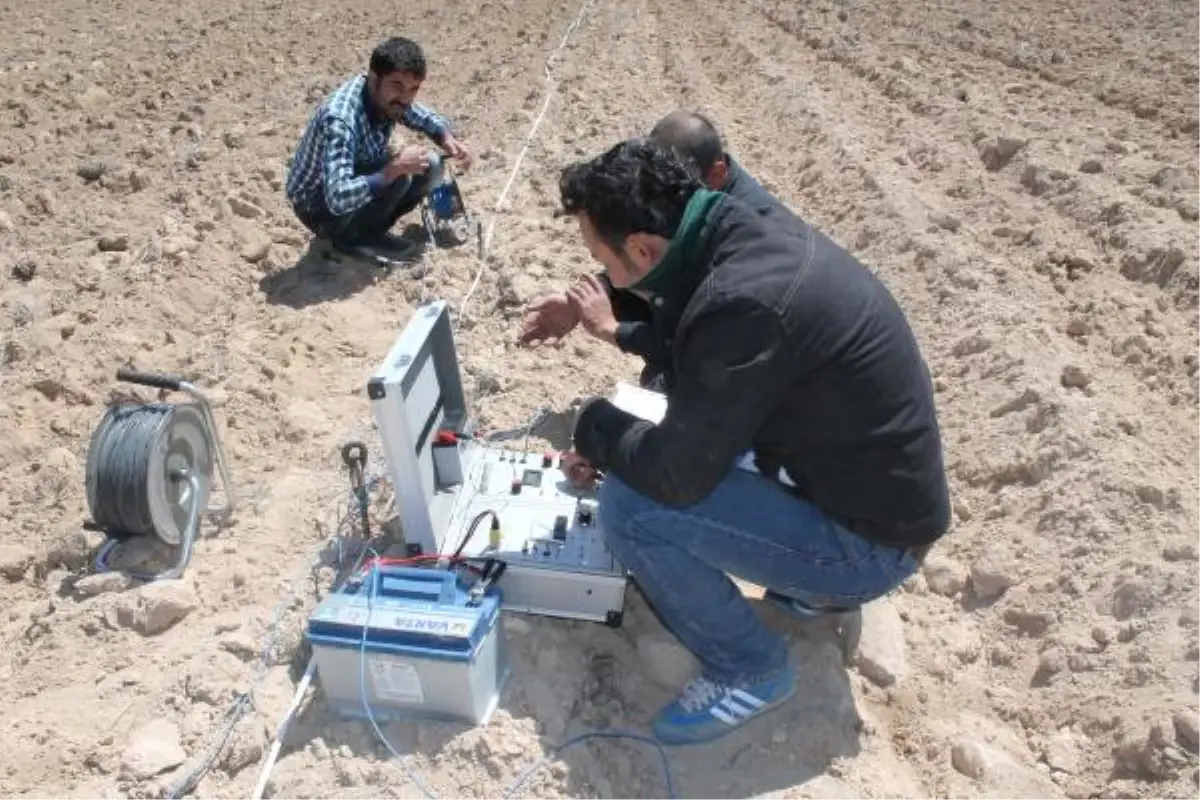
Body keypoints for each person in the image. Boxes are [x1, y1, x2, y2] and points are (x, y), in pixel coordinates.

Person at [553, 138, 952, 746]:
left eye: (601, 260)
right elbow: (699, 360)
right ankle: (809, 593)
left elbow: (676, 478)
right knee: (669, 440)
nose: (605, 277)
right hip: (864, 496)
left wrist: (596, 427)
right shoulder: (741, 237)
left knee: (633, 507)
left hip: (870, 547)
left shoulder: (743, 301)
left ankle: (751, 666)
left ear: (640, 247)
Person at [517, 110, 793, 390]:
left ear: (718, 173)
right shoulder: (693, 205)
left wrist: (614, 330)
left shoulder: (748, 242)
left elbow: (703, 350)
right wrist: (588, 300)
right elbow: (650, 264)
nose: (660, 192)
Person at [285, 36, 472, 261]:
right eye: (397, 86)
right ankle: (351, 239)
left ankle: (369, 230)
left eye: (413, 89)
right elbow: (337, 197)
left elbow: (420, 115)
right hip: (316, 204)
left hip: (353, 177)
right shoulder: (342, 119)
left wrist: (446, 137)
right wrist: (393, 169)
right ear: (374, 78)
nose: (405, 98)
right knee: (399, 176)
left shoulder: (387, 99)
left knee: (430, 164)